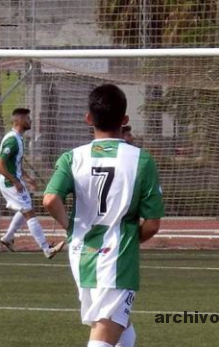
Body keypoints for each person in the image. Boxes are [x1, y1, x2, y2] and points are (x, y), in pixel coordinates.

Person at [43, 84, 165, 347]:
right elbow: (153, 225)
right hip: (116, 259)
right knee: (104, 332)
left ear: (89, 118)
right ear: (125, 120)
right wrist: (128, 240)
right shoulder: (141, 161)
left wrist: (70, 229)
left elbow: (50, 199)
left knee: (120, 325)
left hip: (81, 255)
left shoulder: (72, 158)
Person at [0, 108, 64, 258]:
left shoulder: (19, 138)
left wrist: (27, 178)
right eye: (27, 118)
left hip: (15, 181)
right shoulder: (12, 139)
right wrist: (15, 181)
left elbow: (15, 163)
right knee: (29, 213)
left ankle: (7, 238)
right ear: (18, 121)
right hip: (10, 183)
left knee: (26, 208)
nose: (30, 121)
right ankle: (47, 249)